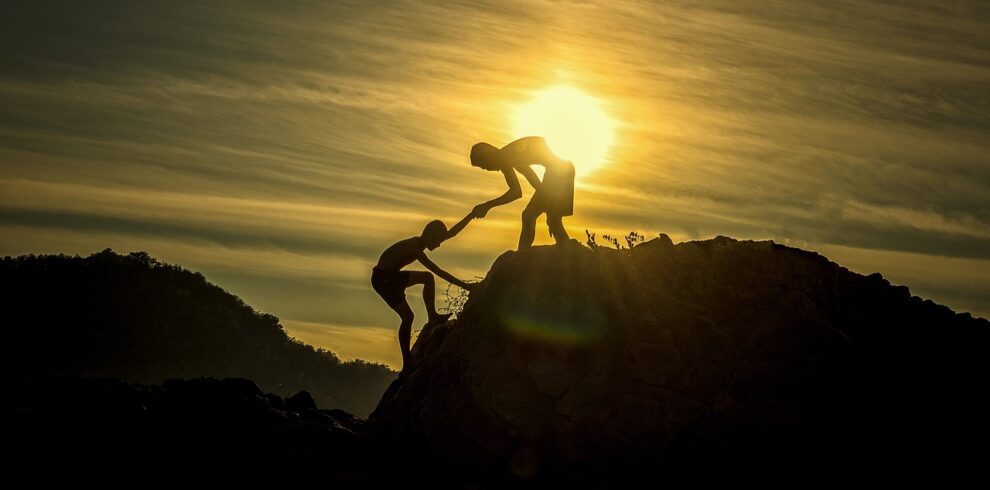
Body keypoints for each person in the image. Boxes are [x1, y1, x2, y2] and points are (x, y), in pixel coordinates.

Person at [371, 212, 476, 370]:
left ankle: (432, 316)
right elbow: (438, 270)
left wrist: (472, 215)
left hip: (391, 276)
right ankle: (407, 361)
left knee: (427, 279)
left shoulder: (421, 244)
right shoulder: (414, 248)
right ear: (431, 235)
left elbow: (451, 233)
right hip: (383, 279)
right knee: (408, 317)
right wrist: (466, 286)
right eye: (438, 240)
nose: (440, 244)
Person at [469, 136, 575, 250]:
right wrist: (547, 204)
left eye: (484, 165)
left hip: (559, 173)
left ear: (488, 156)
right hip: (562, 171)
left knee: (530, 216)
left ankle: (522, 255)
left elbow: (516, 192)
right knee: (552, 221)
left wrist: (487, 205)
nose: (486, 169)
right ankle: (567, 253)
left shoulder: (505, 157)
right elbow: (528, 184)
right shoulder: (507, 158)